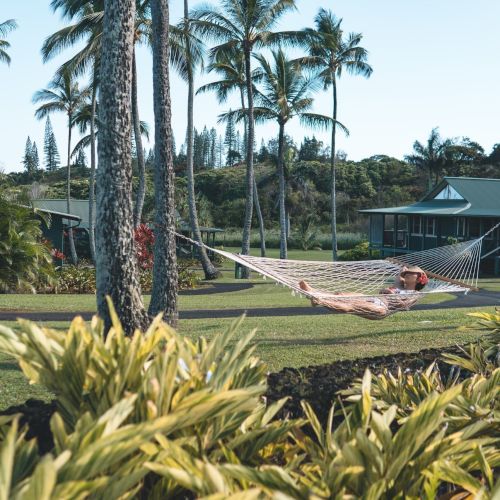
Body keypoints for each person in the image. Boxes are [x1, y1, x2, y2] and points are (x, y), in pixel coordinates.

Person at [298, 265, 429, 320]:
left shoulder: (414, 294)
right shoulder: (400, 285)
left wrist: (390, 293)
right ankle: (313, 292)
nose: (406, 274)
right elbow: (400, 274)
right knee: (340, 295)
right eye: (406, 273)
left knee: (351, 306)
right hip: (372, 298)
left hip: (382, 308)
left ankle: (319, 300)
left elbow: (403, 305)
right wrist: (403, 271)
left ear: (418, 279)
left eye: (410, 274)